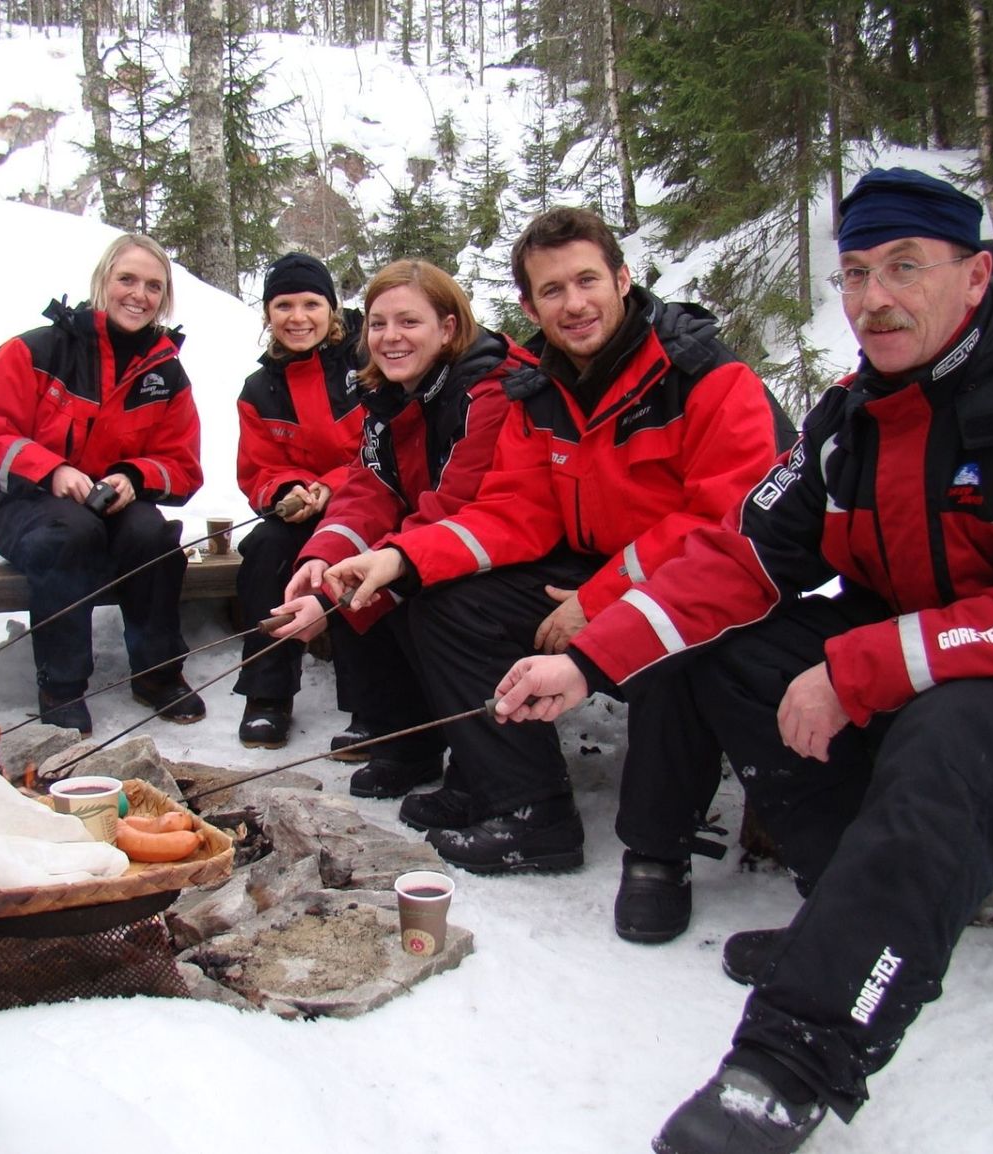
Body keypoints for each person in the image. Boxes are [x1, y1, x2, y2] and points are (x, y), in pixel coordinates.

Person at [491, 169, 993, 1154]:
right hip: (935, 642)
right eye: (853, 272)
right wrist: (592, 659)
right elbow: (740, 553)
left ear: (974, 276)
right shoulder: (854, 415)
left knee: (954, 728)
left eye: (903, 267)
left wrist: (861, 665)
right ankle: (856, 919)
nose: (873, 297)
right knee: (736, 649)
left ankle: (790, 1059)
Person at [326, 207, 789, 907]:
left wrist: (600, 601)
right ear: (528, 305)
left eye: (587, 281)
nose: (573, 305)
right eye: (551, 291)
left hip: (698, 581)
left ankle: (659, 848)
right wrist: (401, 560)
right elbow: (516, 509)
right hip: (595, 569)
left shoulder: (707, 377)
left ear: (623, 278)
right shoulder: (538, 391)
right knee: (447, 606)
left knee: (671, 651)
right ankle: (526, 806)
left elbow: (724, 521)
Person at [272, 259, 538, 796]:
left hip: (509, 546)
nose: (390, 337)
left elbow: (455, 504)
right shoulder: (388, 394)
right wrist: (322, 558)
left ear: (448, 326)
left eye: (408, 322)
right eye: (378, 323)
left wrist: (348, 585)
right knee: (365, 568)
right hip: (455, 536)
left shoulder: (490, 392)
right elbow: (371, 487)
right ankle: (406, 744)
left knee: (403, 588)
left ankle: (482, 767)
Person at [0, 234, 203, 736]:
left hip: (107, 503)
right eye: (127, 280)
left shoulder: (165, 372)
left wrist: (135, 476)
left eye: (153, 286)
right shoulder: (40, 348)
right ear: (102, 283)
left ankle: (157, 673)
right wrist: (50, 470)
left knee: (152, 537)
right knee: (71, 534)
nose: (139, 294)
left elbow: (182, 463)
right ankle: (62, 684)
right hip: (22, 501)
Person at [232, 252, 369, 750]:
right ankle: (267, 695)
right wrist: (287, 487)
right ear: (268, 314)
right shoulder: (259, 389)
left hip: (368, 500)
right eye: (283, 305)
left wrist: (332, 485)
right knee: (266, 547)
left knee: (356, 558)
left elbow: (386, 443)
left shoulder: (365, 362)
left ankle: (369, 705)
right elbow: (257, 468)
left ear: (331, 309)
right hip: (303, 509)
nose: (298, 317)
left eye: (311, 303)